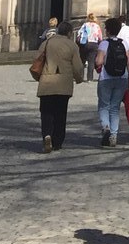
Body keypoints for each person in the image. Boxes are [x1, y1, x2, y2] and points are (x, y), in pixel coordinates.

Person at [35, 19, 82, 153]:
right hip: (63, 84)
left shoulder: (47, 42)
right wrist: (79, 79)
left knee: (46, 112)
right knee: (60, 114)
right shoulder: (72, 45)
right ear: (69, 33)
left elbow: (37, 60)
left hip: (46, 83)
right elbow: (78, 66)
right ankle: (57, 142)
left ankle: (47, 135)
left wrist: (38, 77)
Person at [95, 15, 129, 147]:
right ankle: (114, 135)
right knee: (115, 108)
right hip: (122, 78)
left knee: (104, 105)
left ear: (108, 30)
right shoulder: (124, 43)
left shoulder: (104, 43)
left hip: (106, 78)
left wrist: (97, 63)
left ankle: (106, 127)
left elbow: (99, 61)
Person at [77, 13, 103, 81]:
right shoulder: (97, 26)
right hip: (94, 44)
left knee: (82, 61)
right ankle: (90, 78)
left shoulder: (85, 25)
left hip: (84, 44)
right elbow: (100, 37)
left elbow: (79, 34)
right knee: (91, 62)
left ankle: (81, 77)